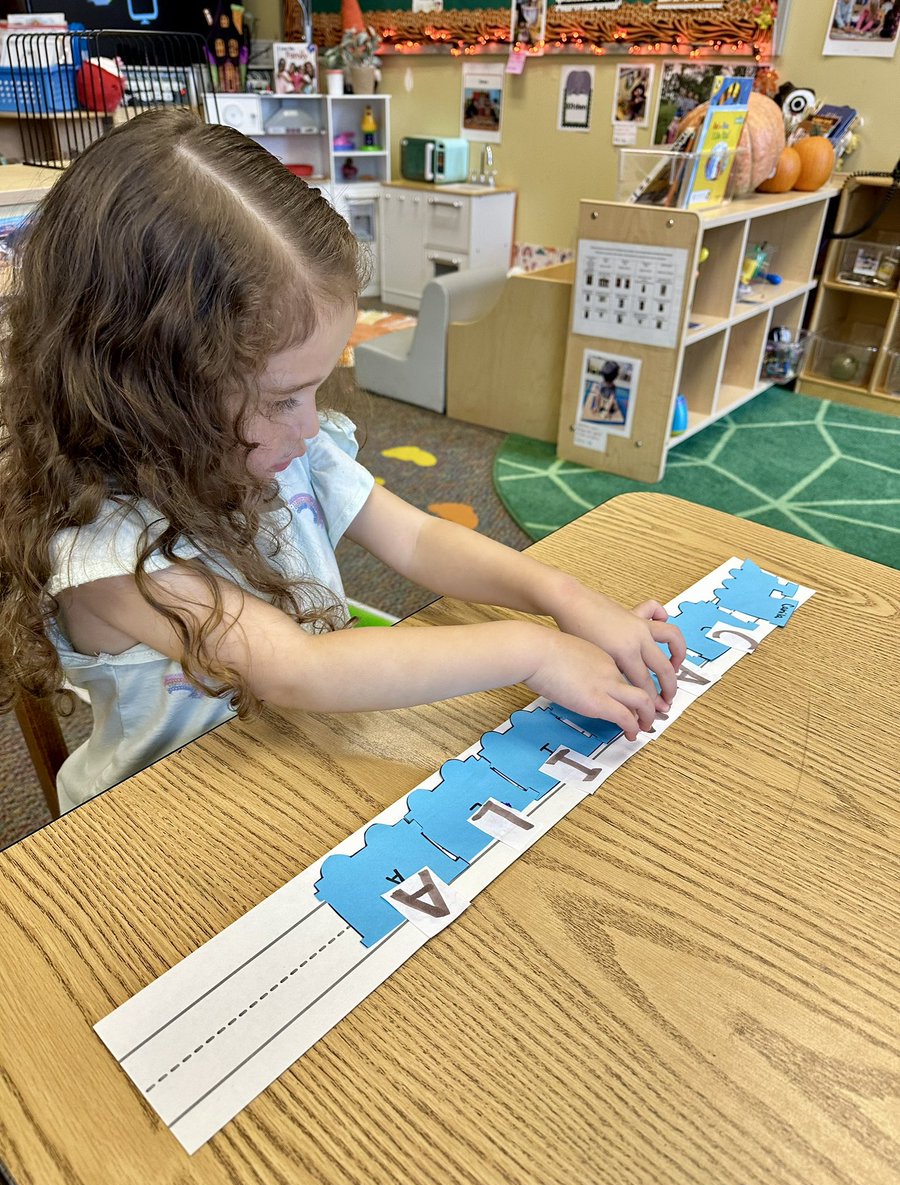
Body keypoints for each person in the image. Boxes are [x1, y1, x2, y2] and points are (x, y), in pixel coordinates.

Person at [0, 110, 685, 815]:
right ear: (148, 396)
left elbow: (417, 538)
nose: (310, 425)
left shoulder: (286, 447)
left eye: (317, 388)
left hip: (305, 758)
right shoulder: (109, 553)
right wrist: (532, 650)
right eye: (284, 398)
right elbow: (298, 671)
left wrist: (564, 598)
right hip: (169, 822)